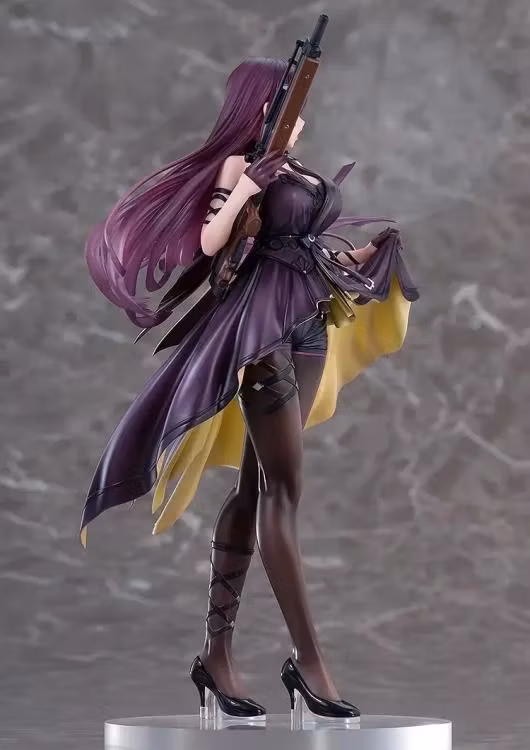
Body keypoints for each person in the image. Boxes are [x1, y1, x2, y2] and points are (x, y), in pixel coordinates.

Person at [81, 57, 419, 723]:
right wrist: (246, 187)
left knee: (257, 487)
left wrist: (367, 255)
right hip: (260, 336)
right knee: (283, 491)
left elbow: (304, 249)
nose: (298, 114)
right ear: (258, 109)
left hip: (309, 326)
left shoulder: (299, 173)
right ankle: (309, 663)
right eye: (283, 103)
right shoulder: (243, 168)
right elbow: (212, 242)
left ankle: (216, 657)